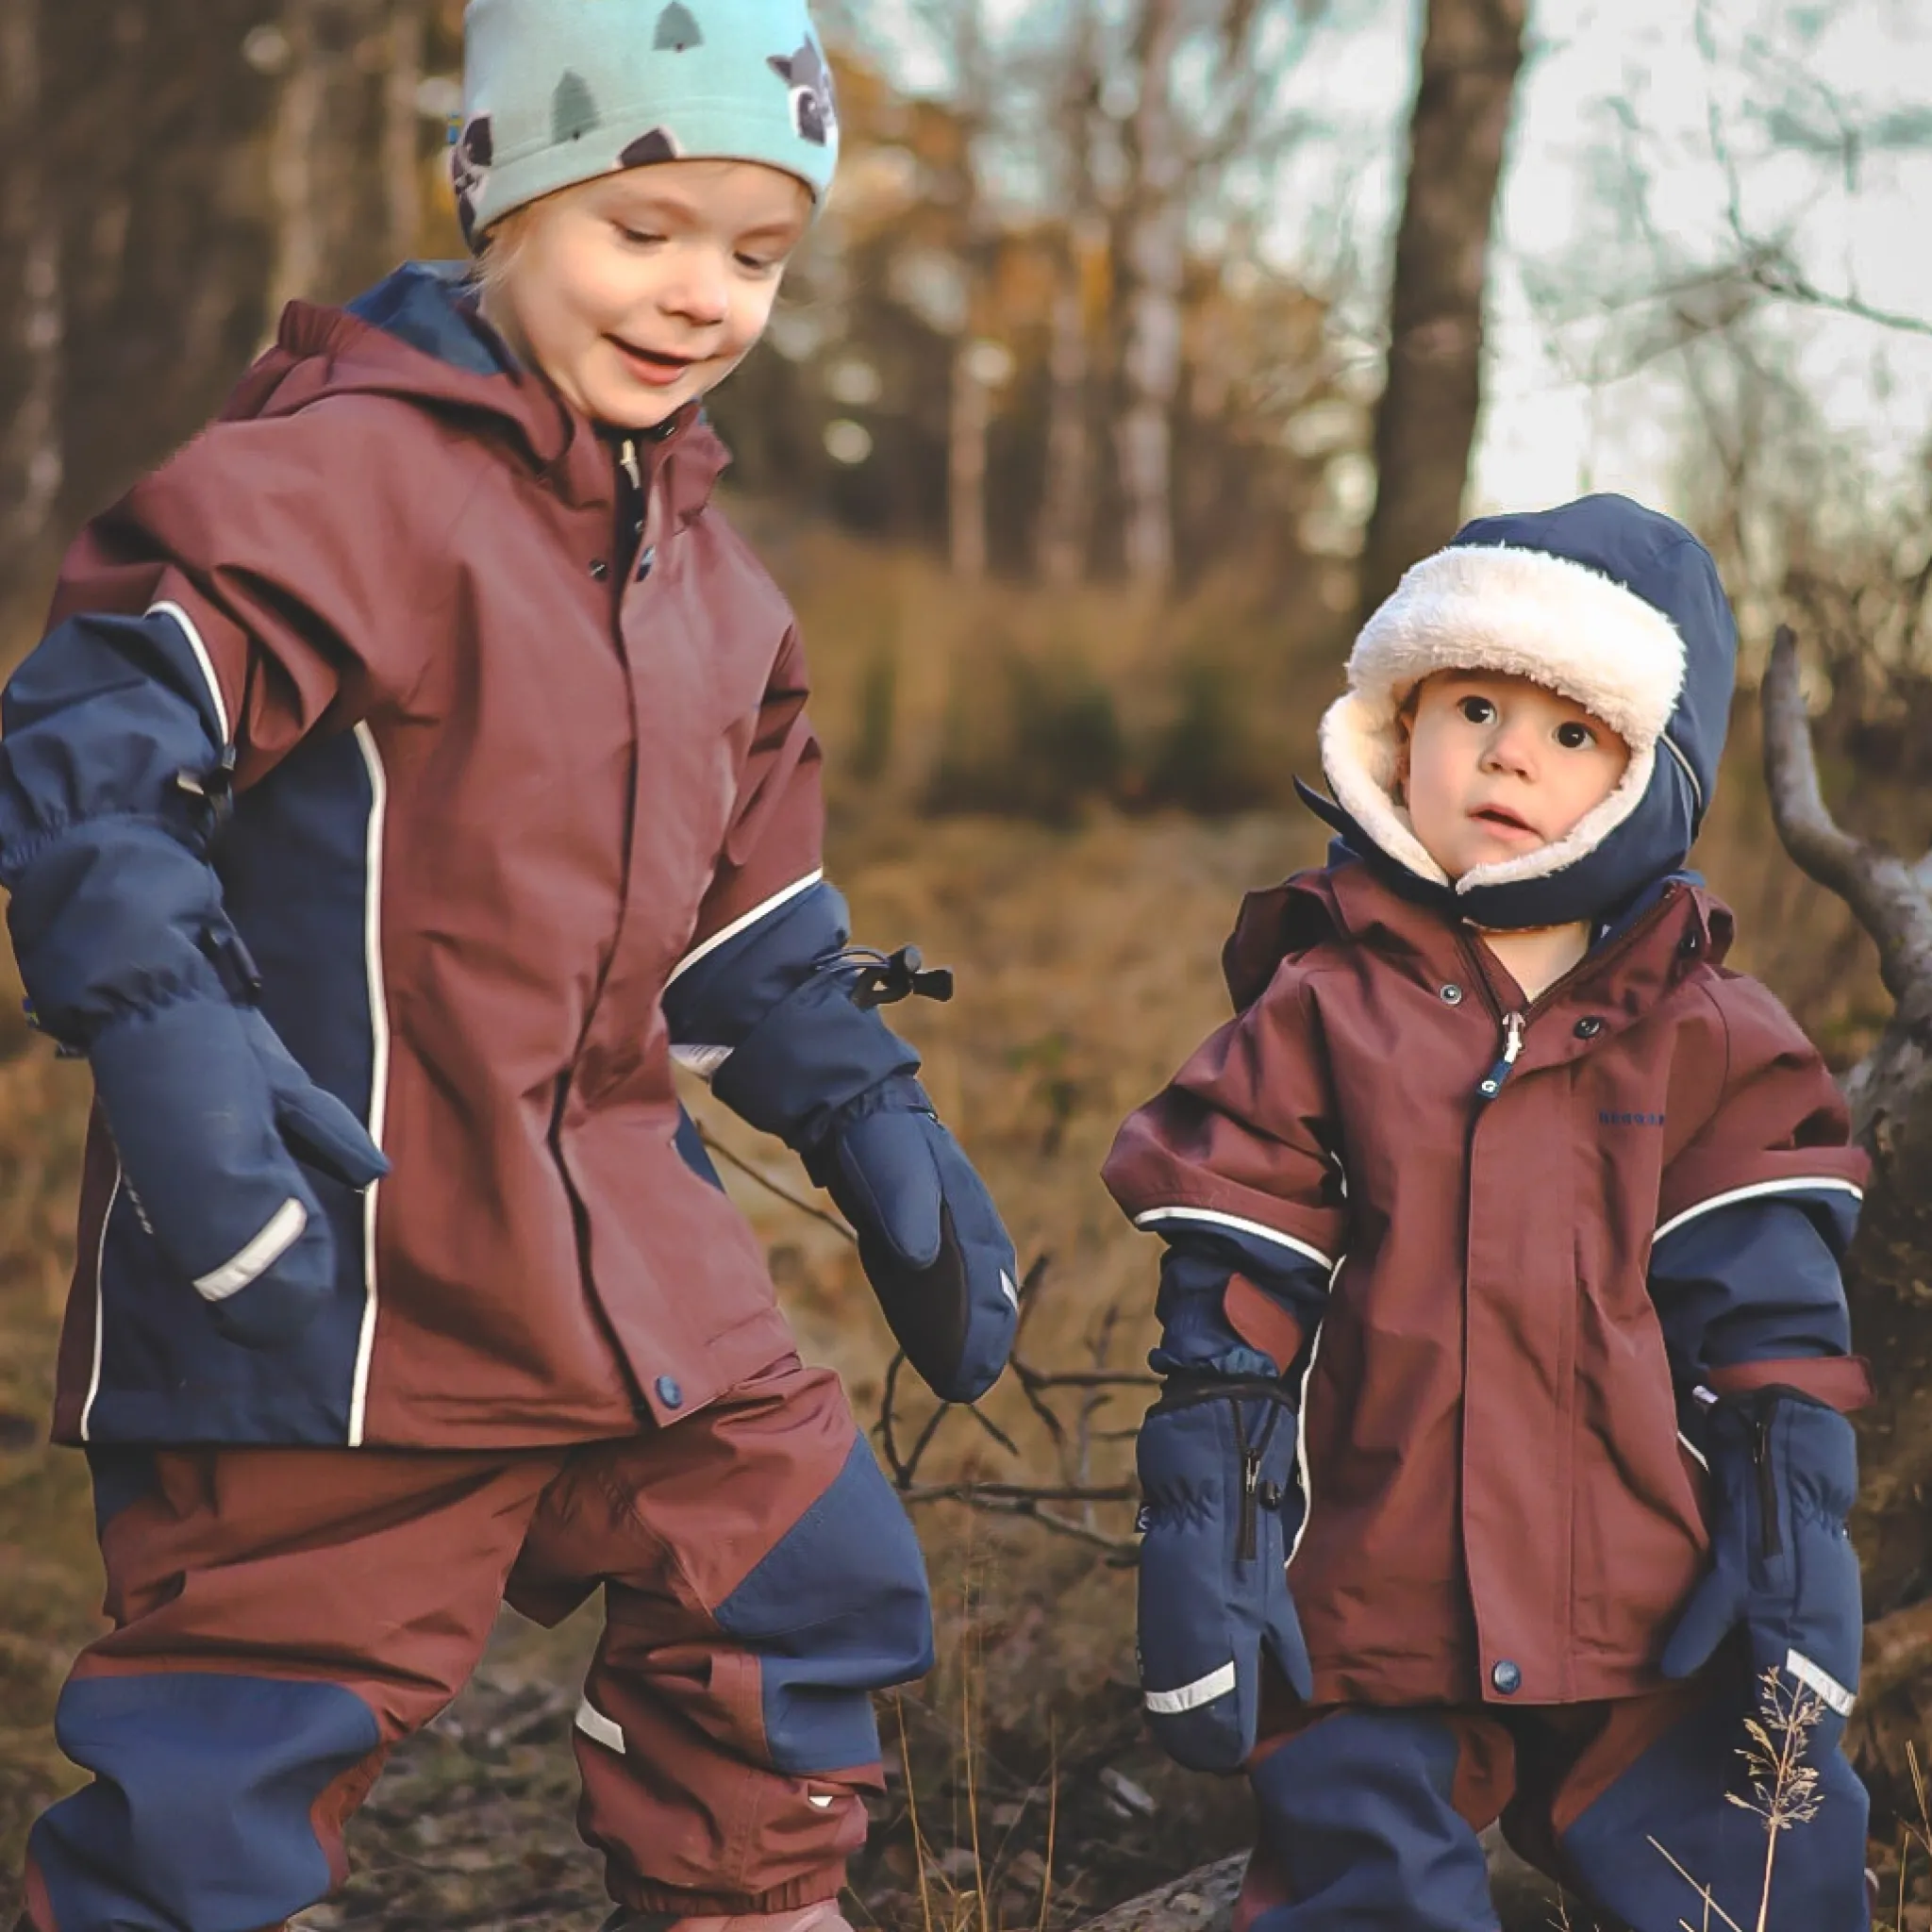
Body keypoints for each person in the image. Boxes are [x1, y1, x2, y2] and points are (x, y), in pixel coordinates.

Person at [0, 5, 1020, 1929]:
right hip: (335, 1275)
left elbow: (752, 922)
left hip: (634, 1270)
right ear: (504, 202)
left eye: (758, 251)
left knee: (798, 1574)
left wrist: (873, 1114)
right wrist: (167, 1032)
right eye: (645, 227)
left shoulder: (718, 584)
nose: (702, 293)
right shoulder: (334, 483)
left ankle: (745, 1908)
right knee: (233, 1753)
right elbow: (94, 754)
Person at [1105, 494, 1874, 1931]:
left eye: (1573, 732)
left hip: (1649, 1610)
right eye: (1474, 707)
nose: (1511, 753)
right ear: (1401, 726)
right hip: (1372, 1604)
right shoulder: (1317, 1010)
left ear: (1649, 777)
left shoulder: (1708, 1033)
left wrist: (1792, 1552)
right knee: (1360, 1883)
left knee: (1767, 1868)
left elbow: (1774, 1326)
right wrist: (1209, 1537)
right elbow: (1230, 1314)